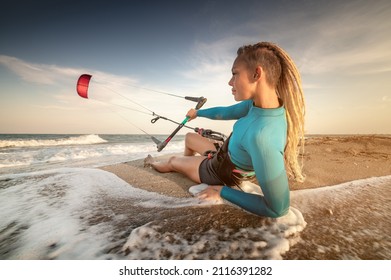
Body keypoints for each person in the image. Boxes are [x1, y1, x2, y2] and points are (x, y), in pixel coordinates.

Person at [145, 42, 305, 218]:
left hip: (217, 173)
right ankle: (189, 165)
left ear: (256, 73)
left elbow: (277, 209)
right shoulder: (260, 106)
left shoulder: (262, 137)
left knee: (172, 160)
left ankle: (157, 163)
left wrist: (221, 191)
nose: (230, 82)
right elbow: (226, 112)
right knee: (190, 137)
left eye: (235, 74)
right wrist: (197, 113)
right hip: (223, 155)